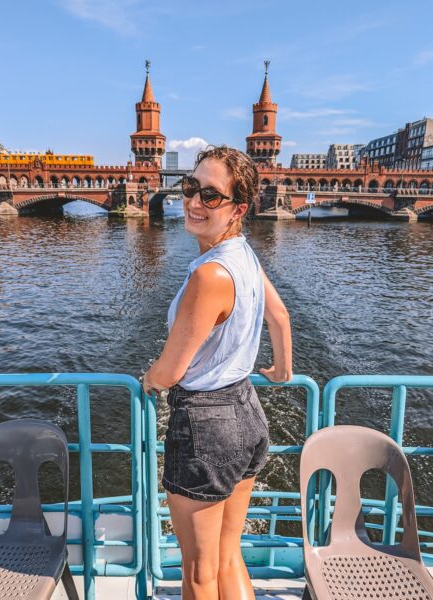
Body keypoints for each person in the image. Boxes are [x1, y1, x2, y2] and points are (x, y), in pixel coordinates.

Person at [143, 145, 292, 600]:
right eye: (191, 187)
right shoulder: (243, 254)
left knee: (199, 572)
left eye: (212, 195)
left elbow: (169, 371)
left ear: (238, 209)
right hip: (247, 412)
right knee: (229, 556)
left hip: (206, 427)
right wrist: (282, 372)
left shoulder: (209, 275)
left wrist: (147, 380)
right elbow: (281, 317)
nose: (193, 202)